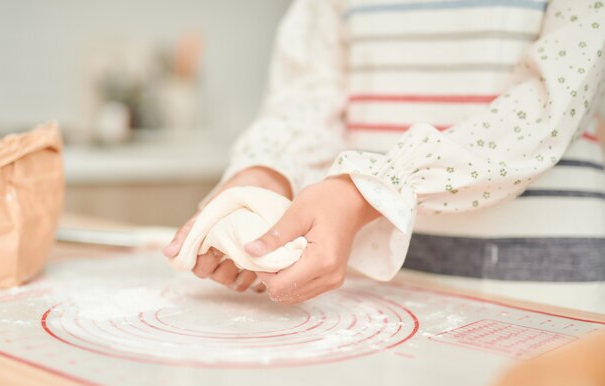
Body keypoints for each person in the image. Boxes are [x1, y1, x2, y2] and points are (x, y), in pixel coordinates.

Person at [164, 0, 605, 307]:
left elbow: (552, 100)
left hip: (542, 281)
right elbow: (310, 92)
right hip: (375, 281)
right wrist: (263, 175)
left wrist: (369, 191)